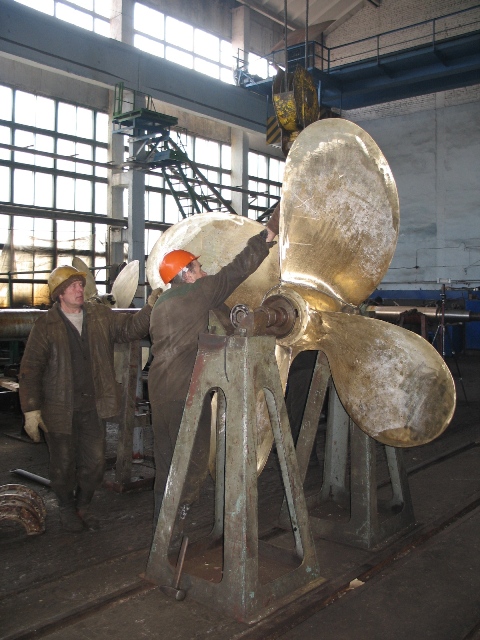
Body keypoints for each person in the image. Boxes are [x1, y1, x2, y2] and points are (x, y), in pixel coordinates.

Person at [148, 205, 280, 523]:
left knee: (166, 459)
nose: (204, 272)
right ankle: (178, 517)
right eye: (198, 268)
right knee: (193, 459)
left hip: (158, 389)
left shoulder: (160, 303)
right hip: (184, 393)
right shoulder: (199, 293)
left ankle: (161, 520)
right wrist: (268, 235)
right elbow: (237, 270)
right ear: (186, 274)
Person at [19, 265, 162, 533]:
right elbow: (31, 369)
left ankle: (83, 506)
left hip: (93, 407)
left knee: (95, 464)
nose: (80, 289)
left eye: (80, 284)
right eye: (73, 286)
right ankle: (66, 507)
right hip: (58, 409)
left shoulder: (99, 315)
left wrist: (150, 307)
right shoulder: (45, 325)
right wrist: (31, 410)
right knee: (62, 465)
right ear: (60, 293)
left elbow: (130, 329)